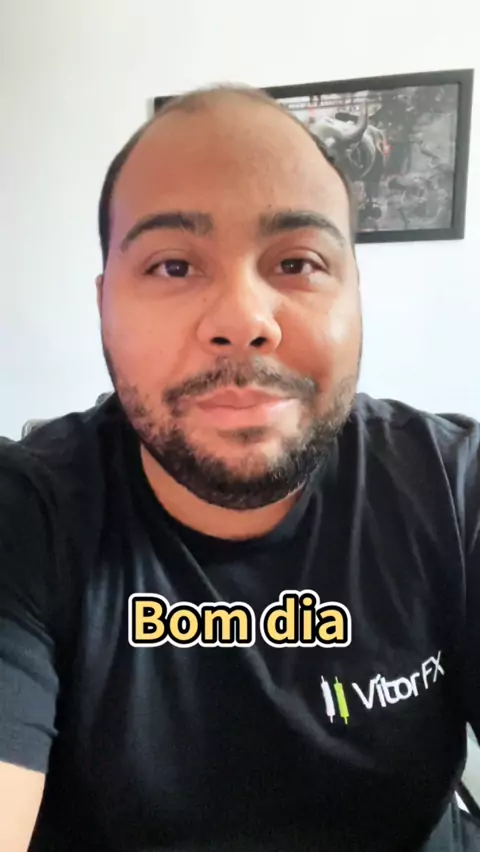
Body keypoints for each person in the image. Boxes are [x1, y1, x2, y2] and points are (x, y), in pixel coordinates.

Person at [0, 84, 479, 852]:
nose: (243, 321)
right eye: (171, 265)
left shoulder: (456, 490)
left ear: (357, 295)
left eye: (297, 261)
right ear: (103, 306)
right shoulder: (25, 514)